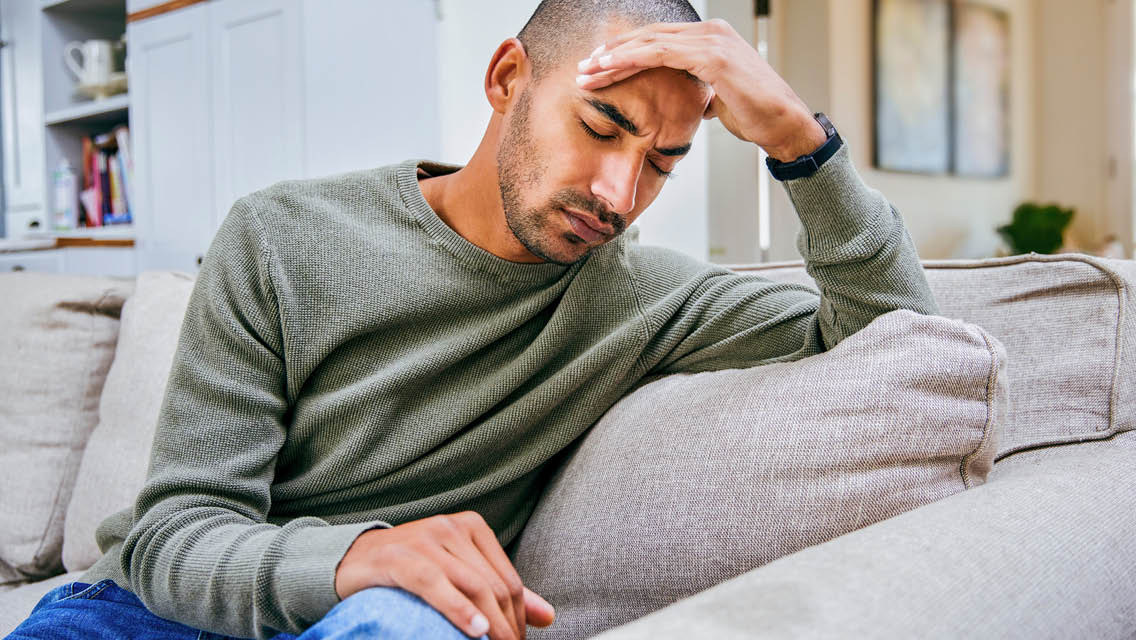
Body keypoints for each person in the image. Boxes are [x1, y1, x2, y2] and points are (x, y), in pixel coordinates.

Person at [6, 1, 939, 639]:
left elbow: (903, 338)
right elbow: (177, 534)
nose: (620, 193)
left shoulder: (647, 298)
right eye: (601, 126)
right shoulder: (283, 236)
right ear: (506, 78)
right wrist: (359, 555)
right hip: (150, 616)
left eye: (662, 162)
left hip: (387, 621)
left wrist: (798, 141)